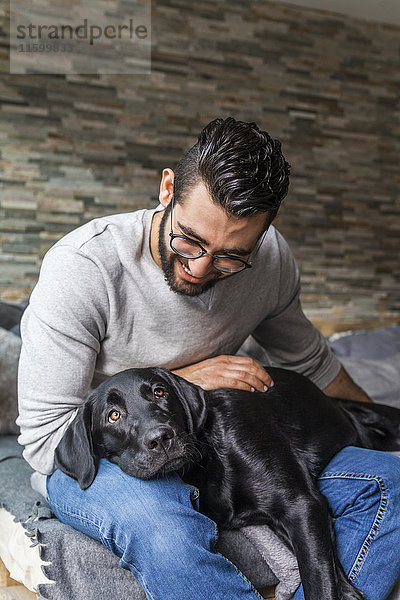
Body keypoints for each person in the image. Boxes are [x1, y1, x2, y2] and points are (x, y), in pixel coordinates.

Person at [17, 117, 400, 600]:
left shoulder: (271, 261)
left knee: (394, 483)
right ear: (167, 188)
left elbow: (313, 364)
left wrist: (376, 428)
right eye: (190, 240)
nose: (199, 268)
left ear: (263, 233)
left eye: (229, 257)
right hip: (97, 459)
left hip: (212, 438)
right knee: (163, 527)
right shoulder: (84, 269)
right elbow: (45, 433)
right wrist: (181, 381)